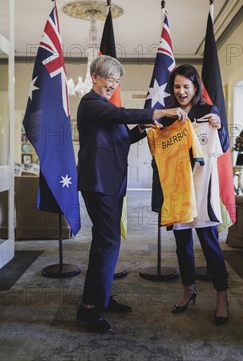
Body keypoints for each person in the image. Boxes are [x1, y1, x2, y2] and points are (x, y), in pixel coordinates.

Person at [76, 55, 187, 333]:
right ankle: (89, 309)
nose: (113, 85)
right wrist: (158, 113)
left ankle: (100, 298)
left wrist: (140, 129)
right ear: (95, 78)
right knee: (107, 243)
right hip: (99, 185)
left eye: (116, 81)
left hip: (110, 184)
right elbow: (120, 114)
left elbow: (119, 139)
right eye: (109, 79)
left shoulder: (103, 107)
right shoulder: (90, 103)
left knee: (106, 243)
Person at [158, 64, 231, 326]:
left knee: (210, 245)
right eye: (177, 87)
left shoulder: (208, 112)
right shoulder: (168, 115)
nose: (181, 92)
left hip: (202, 188)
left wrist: (219, 126)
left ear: (195, 87)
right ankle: (188, 290)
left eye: (186, 87)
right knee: (182, 246)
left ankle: (222, 296)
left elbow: (222, 146)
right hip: (177, 189)